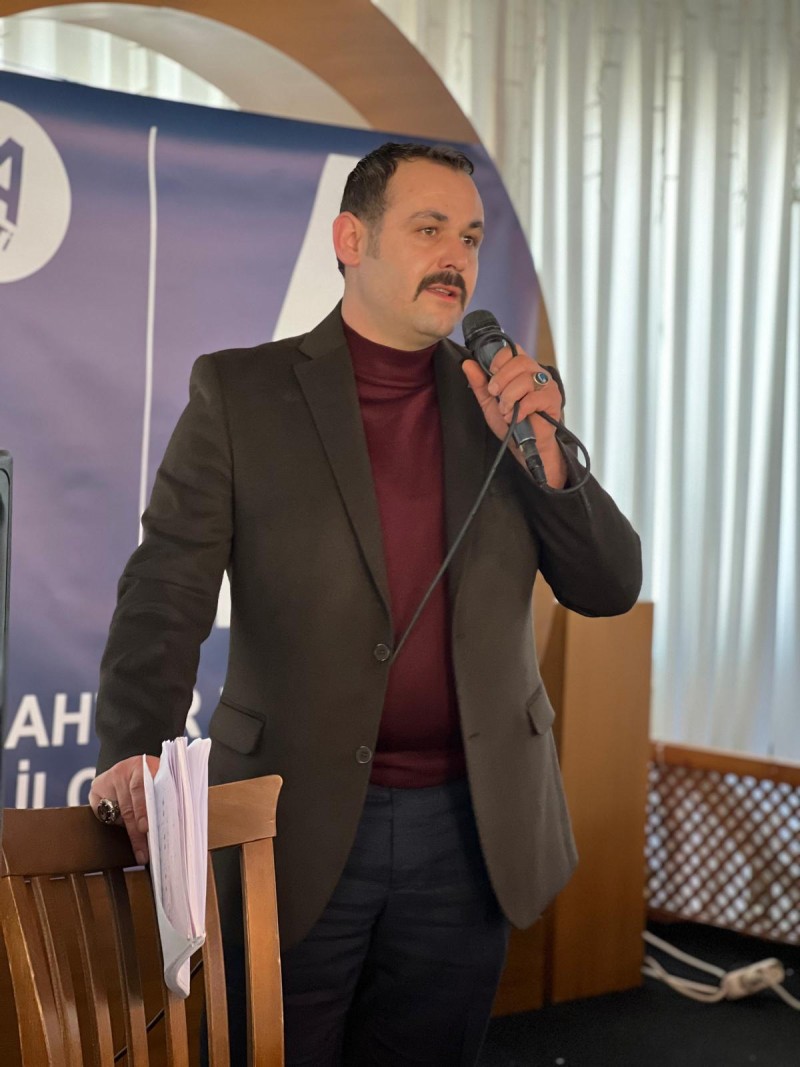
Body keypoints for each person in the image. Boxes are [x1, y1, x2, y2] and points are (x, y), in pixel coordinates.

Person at [90, 142, 642, 1065]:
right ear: (352, 239)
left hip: (471, 827)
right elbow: (164, 590)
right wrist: (134, 749)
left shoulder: (501, 405)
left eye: (470, 236)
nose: (456, 257)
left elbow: (609, 585)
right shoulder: (240, 392)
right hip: (290, 818)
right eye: (429, 229)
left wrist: (545, 451)